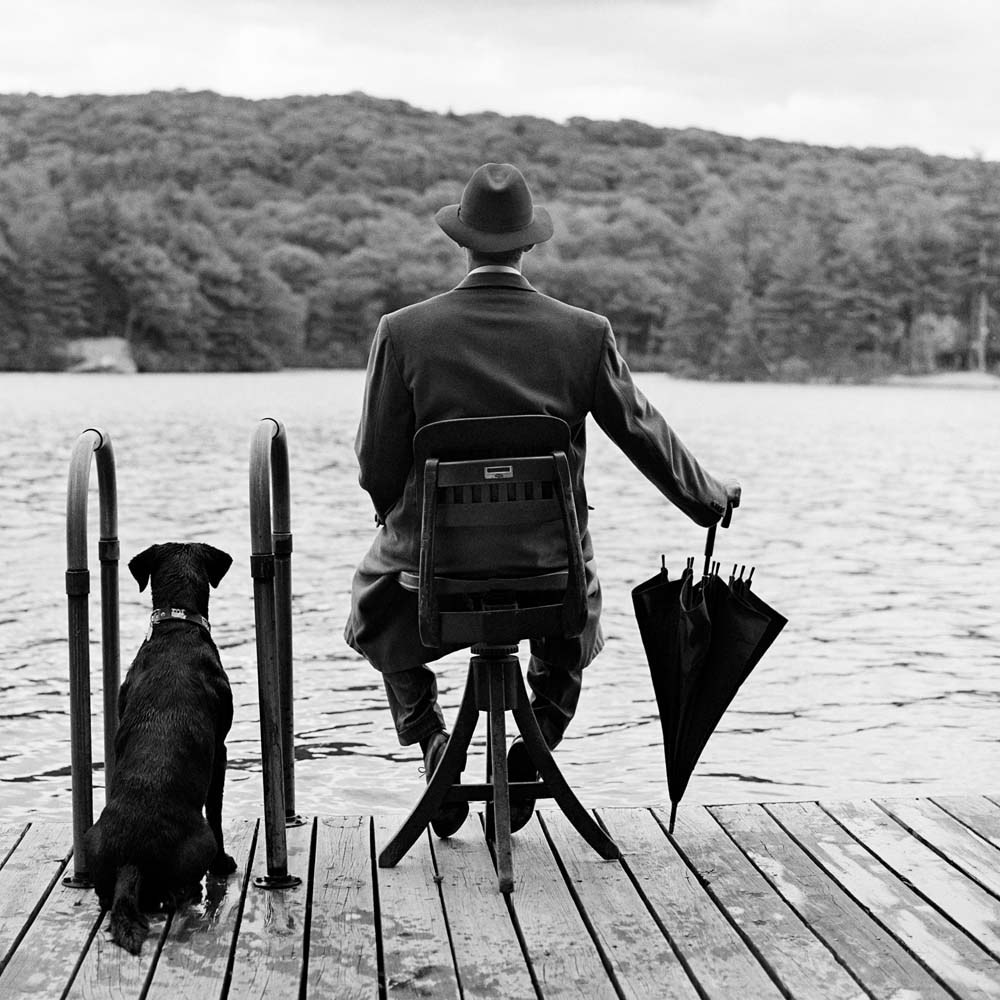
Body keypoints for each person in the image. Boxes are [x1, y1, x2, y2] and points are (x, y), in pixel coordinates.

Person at [345, 162, 741, 837]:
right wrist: (707, 499)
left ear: (462, 242)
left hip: (431, 578)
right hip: (547, 576)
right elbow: (644, 433)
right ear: (528, 245)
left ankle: (432, 740)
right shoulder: (583, 334)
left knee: (377, 598)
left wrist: (394, 519)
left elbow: (375, 462)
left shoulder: (404, 332)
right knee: (575, 610)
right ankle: (534, 751)